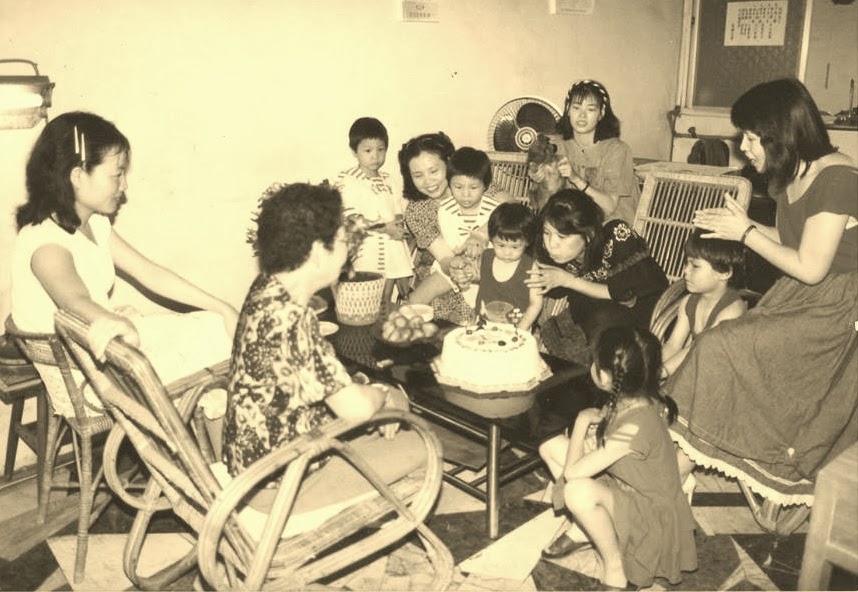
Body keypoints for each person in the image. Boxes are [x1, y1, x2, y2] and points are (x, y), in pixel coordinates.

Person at [667, 78, 858, 504]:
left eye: (751, 138)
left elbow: (811, 268)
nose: (744, 148)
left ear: (781, 133)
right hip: (803, 296)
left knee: (722, 347)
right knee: (724, 347)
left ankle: (680, 463)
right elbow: (794, 242)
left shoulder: (839, 178)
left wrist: (746, 232)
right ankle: (679, 457)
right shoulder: (793, 174)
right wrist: (739, 227)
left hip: (838, 310)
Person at [11, 111, 237, 417]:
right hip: (88, 381)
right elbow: (75, 301)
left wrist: (222, 307)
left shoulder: (93, 223)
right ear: (78, 176)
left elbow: (149, 273)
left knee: (216, 327)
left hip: (105, 347)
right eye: (116, 175)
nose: (124, 184)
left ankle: (211, 417)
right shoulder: (46, 244)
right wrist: (113, 321)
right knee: (211, 367)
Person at [225, 182, 418, 506]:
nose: (348, 249)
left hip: (253, 462)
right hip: (283, 485)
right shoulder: (294, 320)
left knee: (378, 399)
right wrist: (384, 396)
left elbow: (307, 378)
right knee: (417, 441)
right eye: (342, 240)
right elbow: (356, 409)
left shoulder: (267, 288)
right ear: (317, 252)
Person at [538, 325, 697, 589]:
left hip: (650, 517)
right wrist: (593, 438)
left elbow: (573, 473)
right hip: (625, 487)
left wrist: (581, 423)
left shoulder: (636, 426)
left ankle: (615, 567)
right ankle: (589, 528)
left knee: (576, 491)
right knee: (549, 447)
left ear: (603, 376)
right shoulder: (634, 396)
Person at [525, 189, 668, 364]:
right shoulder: (550, 248)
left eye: (562, 236)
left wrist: (568, 280)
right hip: (597, 310)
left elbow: (626, 296)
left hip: (646, 310)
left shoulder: (616, 237)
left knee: (602, 320)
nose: (551, 244)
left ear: (589, 235)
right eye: (547, 233)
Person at [409, 147, 499, 314]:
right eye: (458, 187)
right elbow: (451, 249)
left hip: (489, 264)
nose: (465, 194)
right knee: (415, 299)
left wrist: (479, 259)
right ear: (450, 184)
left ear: (486, 186)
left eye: (473, 188)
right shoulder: (445, 210)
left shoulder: (496, 210)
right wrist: (459, 267)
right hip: (456, 262)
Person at [399, 132, 476, 324]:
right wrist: (461, 270)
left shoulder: (473, 182)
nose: (428, 181)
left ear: (449, 163)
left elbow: (510, 211)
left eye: (434, 171)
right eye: (418, 175)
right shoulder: (417, 210)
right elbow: (445, 258)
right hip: (445, 272)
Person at [333, 117, 412, 304]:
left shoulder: (389, 179)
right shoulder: (348, 179)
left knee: (386, 297)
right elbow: (352, 218)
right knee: (366, 297)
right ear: (354, 151)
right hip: (367, 248)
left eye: (380, 150)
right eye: (368, 150)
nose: (375, 156)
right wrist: (385, 228)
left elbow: (397, 209)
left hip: (392, 248)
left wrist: (398, 226)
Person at [542, 79, 639, 224]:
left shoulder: (618, 150)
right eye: (576, 108)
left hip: (611, 225)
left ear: (601, 113)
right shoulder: (557, 146)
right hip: (572, 224)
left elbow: (609, 207)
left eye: (591, 109)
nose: (582, 115)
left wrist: (576, 179)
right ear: (568, 110)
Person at [661, 229, 747, 377]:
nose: (685, 270)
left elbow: (696, 350)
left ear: (724, 272)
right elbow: (673, 344)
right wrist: (650, 368)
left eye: (695, 266)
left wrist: (661, 372)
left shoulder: (732, 310)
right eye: (686, 263)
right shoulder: (688, 302)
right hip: (698, 368)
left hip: (724, 376)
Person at [474, 202, 542, 331]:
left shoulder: (530, 267)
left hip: (517, 327)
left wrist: (521, 329)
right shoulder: (485, 257)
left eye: (515, 247)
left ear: (527, 242)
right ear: (491, 239)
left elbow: (536, 303)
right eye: (501, 245)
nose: (507, 252)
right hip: (483, 324)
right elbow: (479, 278)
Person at [525, 133, 569, 214]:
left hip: (560, 194)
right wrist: (533, 172)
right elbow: (532, 169)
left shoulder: (560, 160)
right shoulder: (535, 164)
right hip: (543, 196)